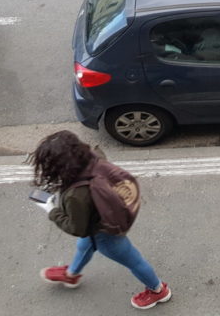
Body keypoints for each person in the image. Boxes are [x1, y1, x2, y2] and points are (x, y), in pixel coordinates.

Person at [27, 130, 172, 310]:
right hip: (100, 222)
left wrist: (51, 210)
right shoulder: (91, 158)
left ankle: (158, 291)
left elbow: (77, 228)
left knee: (134, 261)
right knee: (84, 246)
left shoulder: (76, 195)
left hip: (104, 234)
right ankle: (72, 274)